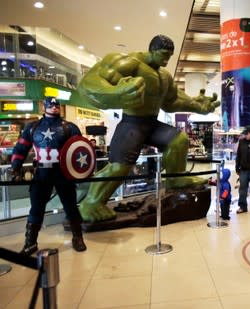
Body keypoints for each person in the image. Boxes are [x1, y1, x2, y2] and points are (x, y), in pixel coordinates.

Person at [76, 34, 219, 222]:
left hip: (151, 124)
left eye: (170, 55)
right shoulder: (128, 63)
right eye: (163, 54)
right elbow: (88, 83)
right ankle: (91, 203)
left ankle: (175, 179)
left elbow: (172, 102)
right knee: (120, 167)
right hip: (131, 123)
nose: (166, 59)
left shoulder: (164, 76)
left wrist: (197, 105)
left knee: (179, 140)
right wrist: (115, 93)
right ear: (152, 49)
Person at [11, 97, 87, 255]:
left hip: (63, 173)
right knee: (36, 209)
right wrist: (15, 168)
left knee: (71, 206)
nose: (54, 107)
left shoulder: (70, 127)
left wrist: (82, 170)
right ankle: (30, 243)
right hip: (42, 173)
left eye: (57, 105)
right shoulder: (32, 127)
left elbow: (81, 150)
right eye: (51, 105)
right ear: (44, 107)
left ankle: (77, 237)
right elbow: (20, 149)